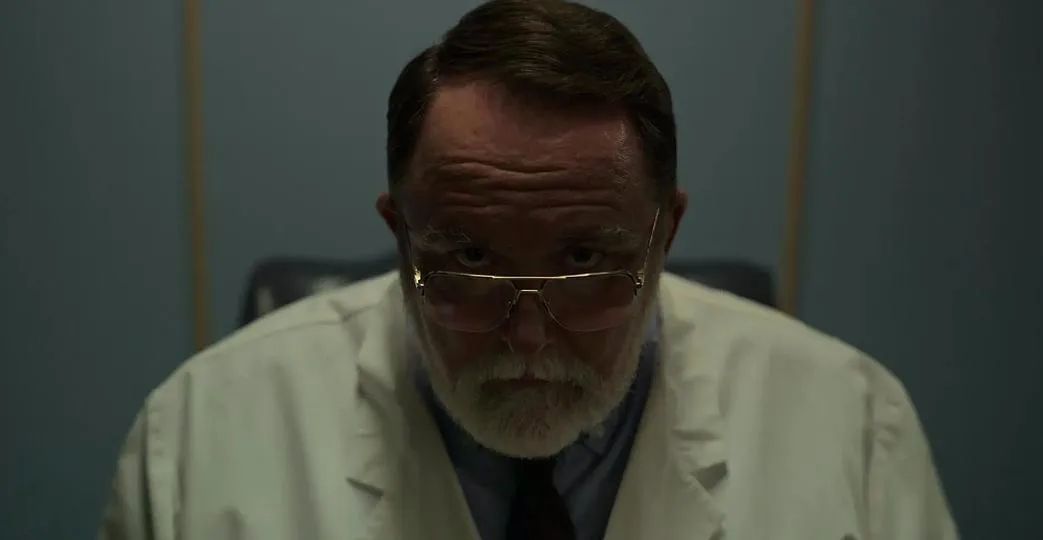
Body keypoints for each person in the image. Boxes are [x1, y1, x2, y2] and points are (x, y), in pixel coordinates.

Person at [100, 1, 957, 538]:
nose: (528, 334)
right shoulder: (195, 443)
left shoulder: (853, 430)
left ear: (664, 236)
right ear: (401, 237)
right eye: (470, 259)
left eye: (584, 260)